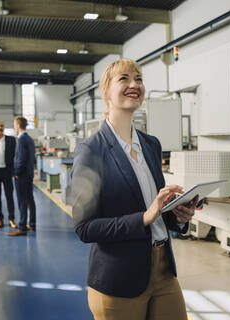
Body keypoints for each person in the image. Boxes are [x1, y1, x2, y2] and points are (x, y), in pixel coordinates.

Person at [71, 58, 198, 320]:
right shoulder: (91, 151)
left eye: (138, 79)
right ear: (106, 91)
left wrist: (178, 216)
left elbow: (156, 210)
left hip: (164, 270)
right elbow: (85, 228)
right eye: (124, 79)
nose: (134, 84)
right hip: (119, 277)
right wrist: (144, 218)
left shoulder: (151, 145)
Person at [8, 116, 36, 236]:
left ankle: (22, 227)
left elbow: (21, 159)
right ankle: (32, 224)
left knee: (22, 201)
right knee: (30, 199)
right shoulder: (29, 139)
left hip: (22, 175)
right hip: (29, 174)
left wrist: (17, 172)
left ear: (18, 125)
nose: (14, 126)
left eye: (15, 124)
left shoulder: (21, 139)